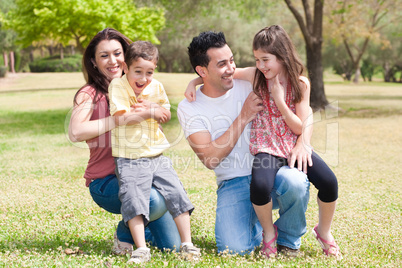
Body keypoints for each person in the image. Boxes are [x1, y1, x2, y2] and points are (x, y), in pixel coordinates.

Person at [185, 25, 340, 258]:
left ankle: (314, 234)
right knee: (237, 242)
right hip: (256, 157)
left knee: (323, 182)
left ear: (283, 56)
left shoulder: (298, 83)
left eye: (265, 59)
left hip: (288, 150)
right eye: (257, 59)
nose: (260, 65)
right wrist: (194, 83)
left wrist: (298, 134)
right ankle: (268, 232)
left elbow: (302, 123)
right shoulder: (255, 77)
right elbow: (209, 158)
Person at [68, 28, 181, 256]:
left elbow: (158, 122)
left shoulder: (142, 87)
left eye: (117, 53)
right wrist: (121, 119)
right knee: (155, 201)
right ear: (94, 61)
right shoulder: (89, 93)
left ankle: (141, 228)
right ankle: (124, 233)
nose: (113, 61)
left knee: (172, 247)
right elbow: (76, 132)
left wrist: (153, 111)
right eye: (104, 55)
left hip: (145, 173)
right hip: (107, 180)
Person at [108, 41, 200, 264]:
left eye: (149, 72)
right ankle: (140, 249)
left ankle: (188, 243)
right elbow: (121, 118)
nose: (143, 78)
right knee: (133, 199)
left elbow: (165, 114)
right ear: (125, 67)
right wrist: (150, 112)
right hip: (130, 158)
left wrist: (155, 110)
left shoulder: (156, 87)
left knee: (176, 193)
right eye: (138, 71)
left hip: (156, 155)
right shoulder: (118, 86)